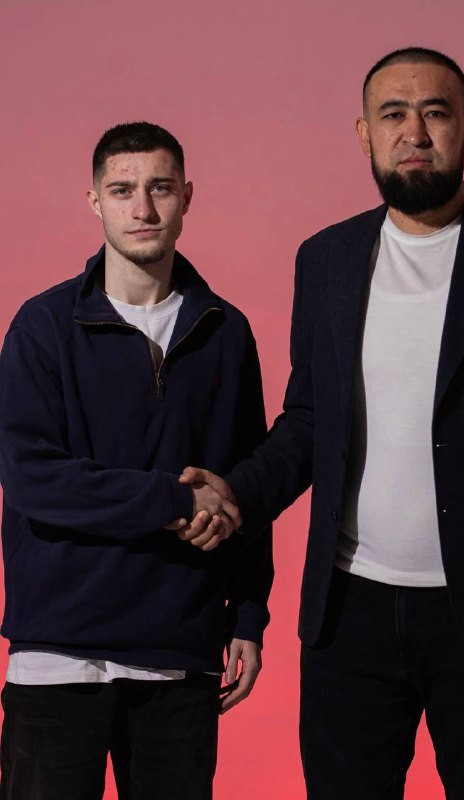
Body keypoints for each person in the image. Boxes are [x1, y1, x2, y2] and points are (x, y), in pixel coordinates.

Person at [180, 47, 464, 799]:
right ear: (365, 135)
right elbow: (309, 421)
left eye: (436, 113)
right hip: (350, 613)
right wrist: (237, 494)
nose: (415, 131)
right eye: (393, 114)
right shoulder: (326, 258)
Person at [0, 121, 272, 800]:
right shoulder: (43, 326)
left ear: (187, 197)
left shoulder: (225, 331)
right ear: (95, 201)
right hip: (58, 654)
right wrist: (174, 501)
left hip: (179, 652)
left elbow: (243, 482)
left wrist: (248, 615)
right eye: (122, 190)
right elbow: (31, 477)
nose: (142, 208)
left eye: (160, 188)